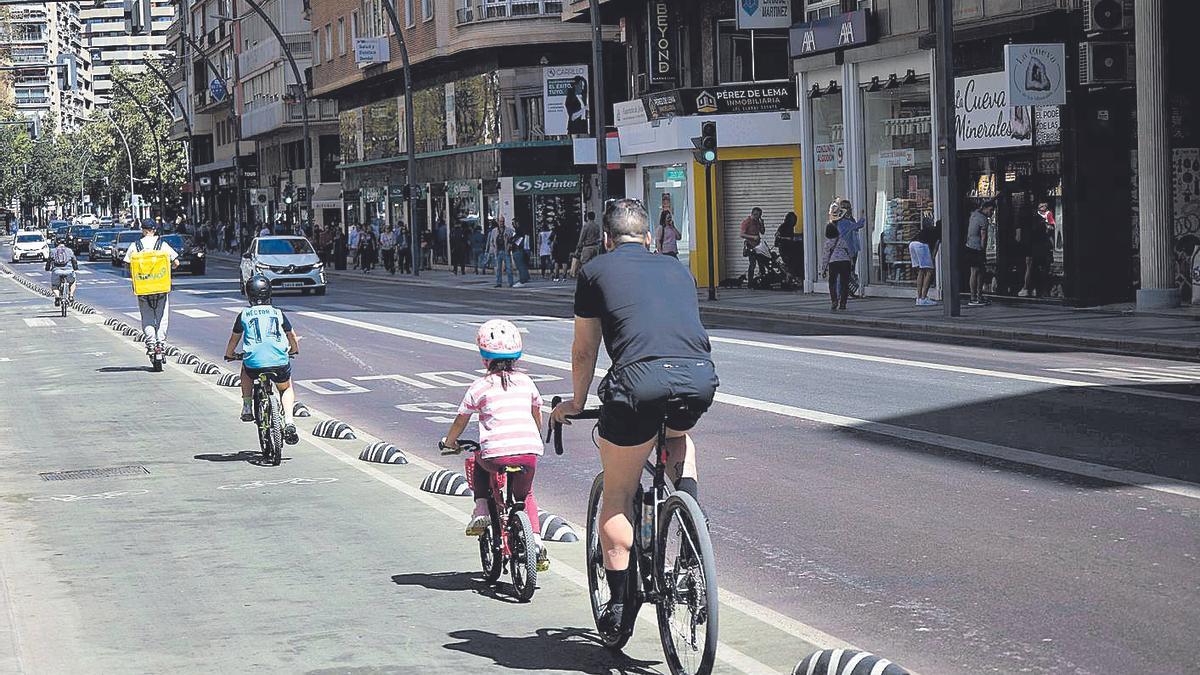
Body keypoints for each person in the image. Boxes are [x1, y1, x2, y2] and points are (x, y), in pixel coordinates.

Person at [551, 199, 718, 634]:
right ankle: (690, 522)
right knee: (678, 437)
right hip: (698, 380)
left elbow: (585, 349)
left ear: (606, 240)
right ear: (648, 237)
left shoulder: (594, 272)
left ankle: (621, 606)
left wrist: (575, 400)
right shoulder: (678, 269)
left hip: (637, 385)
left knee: (619, 494)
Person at [440, 319, 549, 572]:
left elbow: (461, 419)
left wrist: (450, 442)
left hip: (495, 456)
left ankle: (480, 508)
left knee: (478, 459)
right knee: (525, 496)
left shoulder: (480, 386)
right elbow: (537, 413)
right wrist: (534, 434)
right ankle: (536, 542)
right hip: (528, 453)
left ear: (483, 357)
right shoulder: (527, 382)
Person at [223, 274, 301, 446]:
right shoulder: (277, 313)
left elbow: (233, 340)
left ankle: (247, 406)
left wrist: (230, 355)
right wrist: (294, 349)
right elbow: (291, 336)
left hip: (253, 364)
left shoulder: (244, 315)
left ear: (248, 295)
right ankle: (289, 422)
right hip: (279, 361)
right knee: (285, 387)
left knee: (246, 369)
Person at [124, 219, 180, 355]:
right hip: (161, 287)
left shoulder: (135, 246)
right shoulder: (162, 245)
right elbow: (176, 262)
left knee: (147, 317)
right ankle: (161, 343)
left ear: (142, 230)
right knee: (162, 317)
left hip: (143, 288)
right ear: (154, 230)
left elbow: (127, 264)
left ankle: (150, 343)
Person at [966, 201, 994, 306]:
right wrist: (983, 249)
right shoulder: (983, 220)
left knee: (976, 271)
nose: (991, 213)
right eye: (991, 210)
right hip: (977, 248)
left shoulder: (974, 214)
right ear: (986, 209)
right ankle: (975, 296)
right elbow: (984, 236)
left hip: (969, 245)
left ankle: (976, 296)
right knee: (976, 272)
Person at [821, 222, 853, 311]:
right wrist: (851, 262)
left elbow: (826, 256)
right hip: (845, 262)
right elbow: (848, 252)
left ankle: (834, 300)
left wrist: (823, 269)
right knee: (844, 284)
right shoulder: (842, 240)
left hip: (833, 262)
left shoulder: (828, 243)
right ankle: (843, 303)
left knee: (832, 283)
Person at [910, 220, 941, 306]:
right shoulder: (940, 232)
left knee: (921, 270)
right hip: (921, 245)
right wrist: (932, 259)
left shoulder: (930, 229)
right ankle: (923, 298)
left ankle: (919, 297)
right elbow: (935, 248)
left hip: (912, 244)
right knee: (930, 271)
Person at [45, 240, 78, 307]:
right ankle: (71, 296)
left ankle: (57, 297)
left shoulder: (53, 251)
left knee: (54, 286)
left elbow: (49, 261)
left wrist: (47, 268)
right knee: (73, 282)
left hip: (57, 271)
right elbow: (74, 260)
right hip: (68, 271)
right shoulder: (69, 250)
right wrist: (75, 268)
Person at [739, 207, 766, 284]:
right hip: (750, 245)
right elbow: (741, 234)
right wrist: (753, 237)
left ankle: (763, 279)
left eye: (760, 215)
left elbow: (762, 232)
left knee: (762, 263)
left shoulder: (757, 222)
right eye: (758, 215)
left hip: (758, 246)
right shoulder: (747, 222)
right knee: (752, 264)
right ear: (754, 214)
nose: (759, 217)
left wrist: (762, 224)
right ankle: (750, 282)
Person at [493, 218, 514, 288]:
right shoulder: (494, 231)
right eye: (500, 221)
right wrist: (493, 249)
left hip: (506, 251)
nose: (501, 223)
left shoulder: (508, 230)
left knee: (508, 268)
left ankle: (510, 282)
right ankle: (498, 282)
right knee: (498, 269)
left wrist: (510, 245)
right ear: (498, 222)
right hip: (498, 251)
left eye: (502, 221)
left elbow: (513, 239)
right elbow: (492, 241)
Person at [511, 220, 530, 287]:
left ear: (517, 223)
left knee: (520, 266)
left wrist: (512, 242)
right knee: (522, 265)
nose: (512, 225)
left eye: (513, 223)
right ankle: (524, 278)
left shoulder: (519, 231)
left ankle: (522, 280)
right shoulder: (518, 231)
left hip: (518, 250)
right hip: (518, 250)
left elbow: (518, 240)